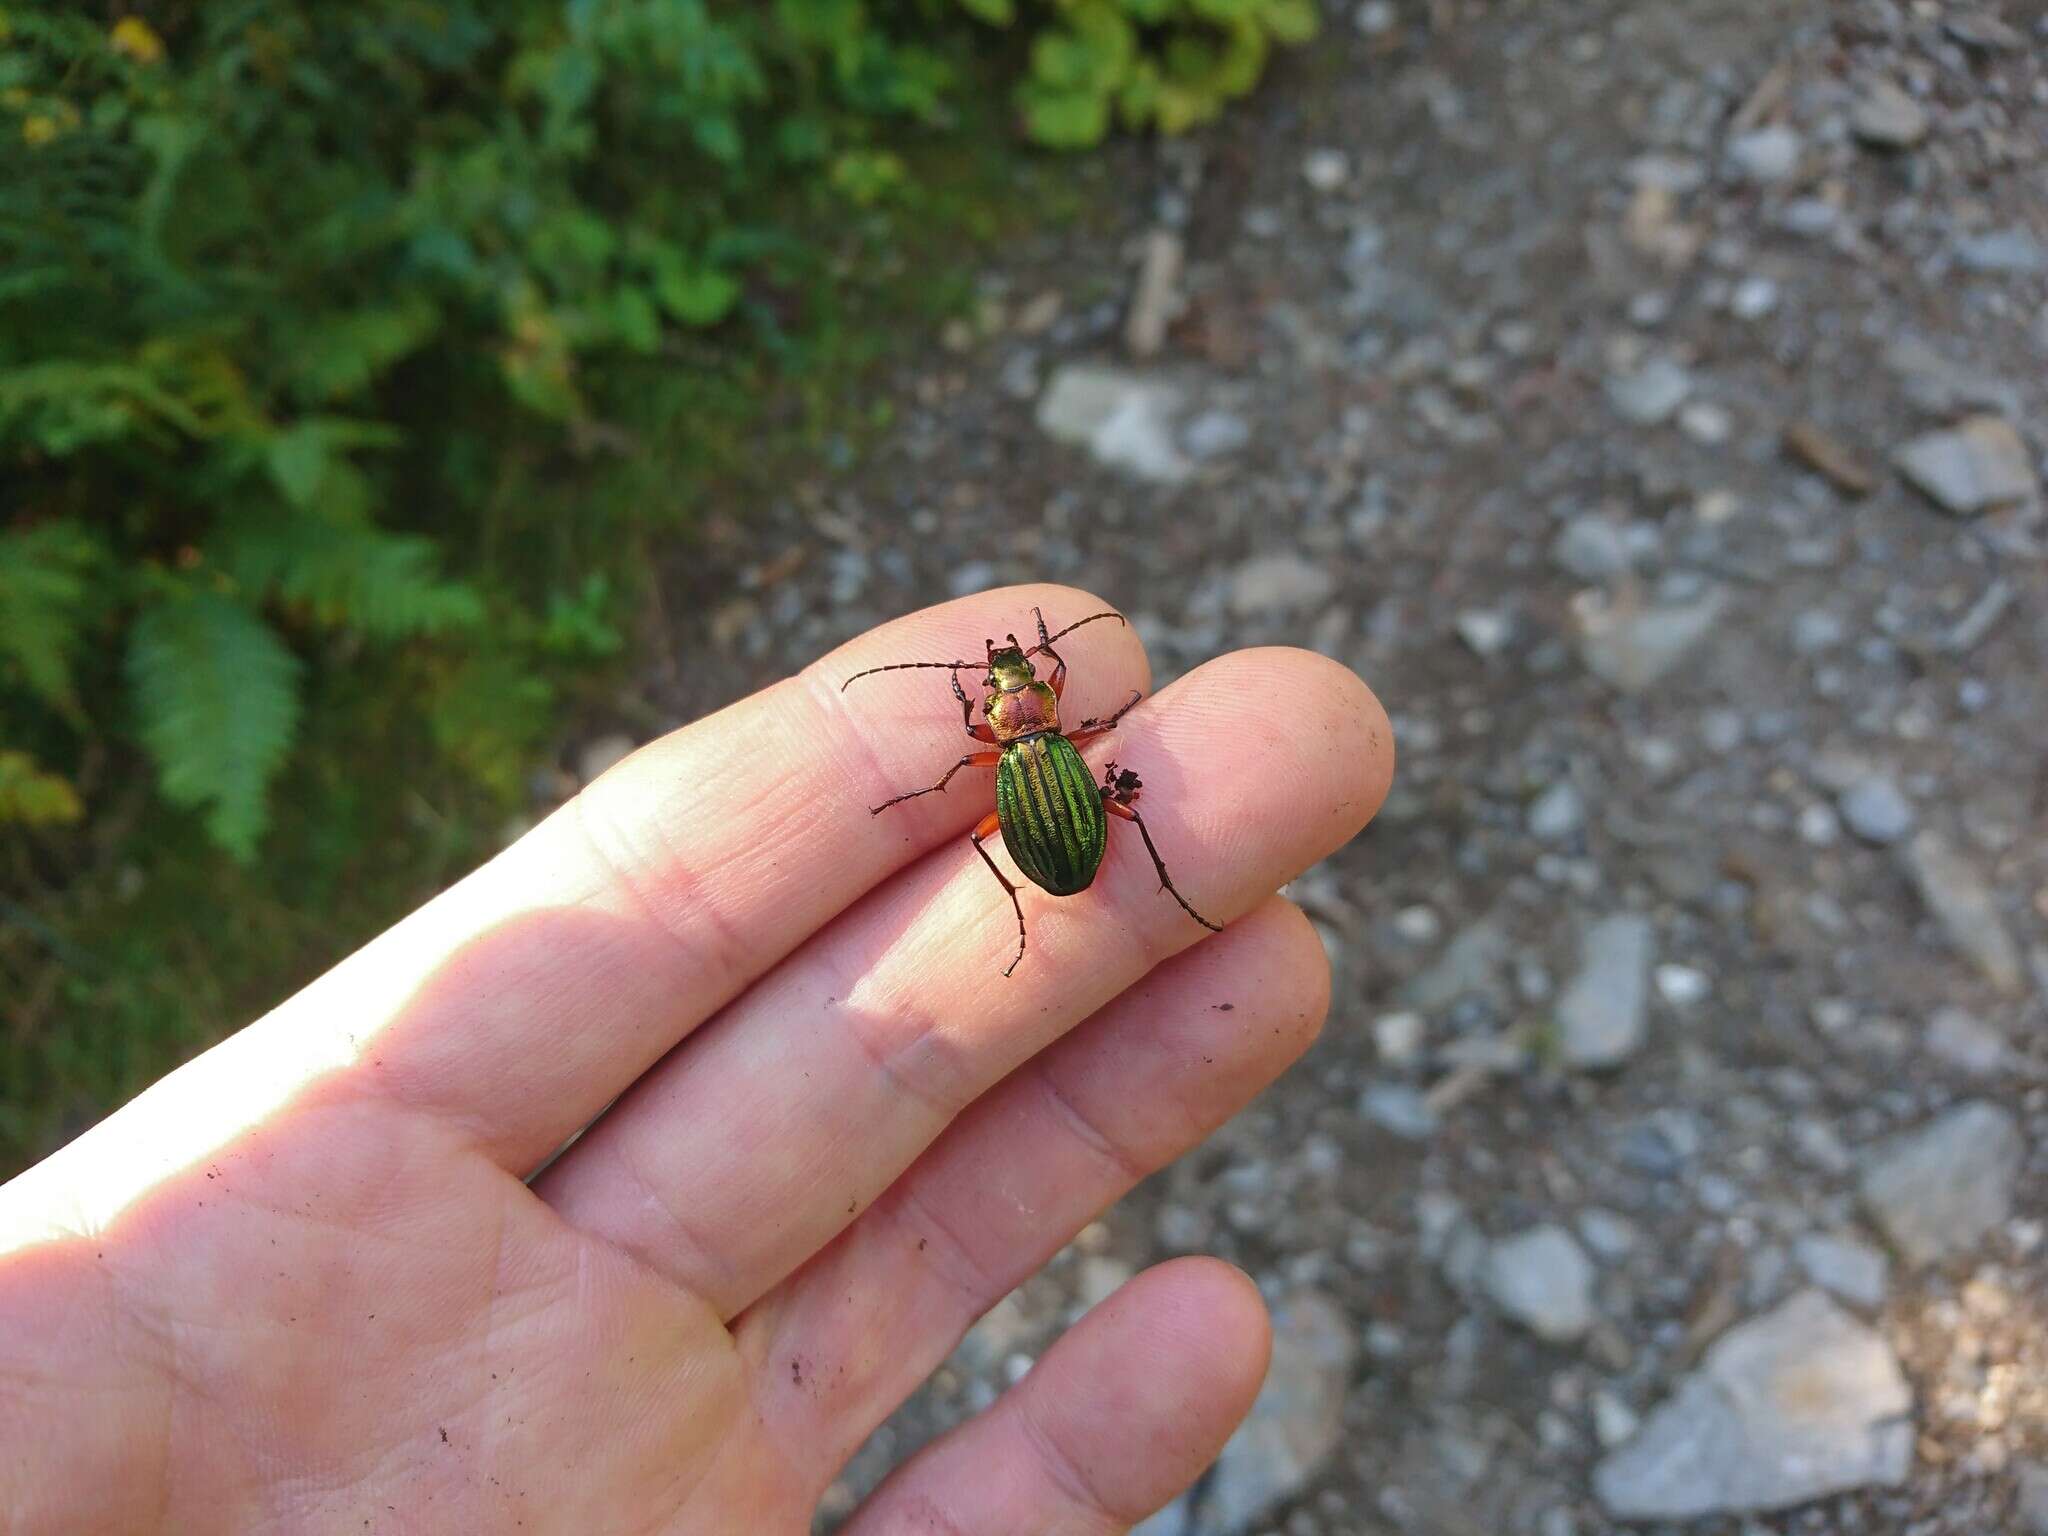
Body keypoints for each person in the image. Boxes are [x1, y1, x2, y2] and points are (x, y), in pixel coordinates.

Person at [0, 585, 1392, 1534]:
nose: (1014, 688)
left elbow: (1015, 785)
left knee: (1061, 863)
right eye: (1015, 682)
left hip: (1049, 848)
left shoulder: (1007, 761)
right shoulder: (1058, 759)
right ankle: (1051, 917)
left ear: (1011, 713)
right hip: (1065, 839)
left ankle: (1041, 924)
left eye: (1015, 682)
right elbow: (1061, 786)